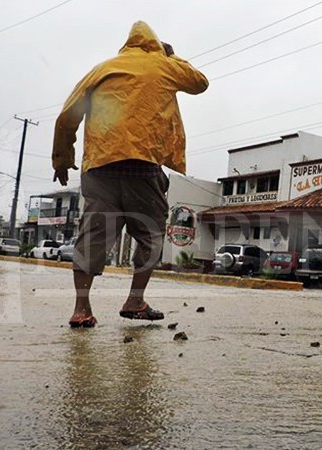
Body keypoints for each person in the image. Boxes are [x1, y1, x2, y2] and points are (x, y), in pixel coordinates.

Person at [51, 21, 208, 328]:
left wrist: (61, 159)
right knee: (151, 236)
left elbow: (67, 116)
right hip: (142, 167)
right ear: (155, 44)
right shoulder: (163, 65)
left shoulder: (102, 69)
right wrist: (171, 57)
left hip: (100, 167)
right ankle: (135, 300)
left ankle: (81, 309)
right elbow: (200, 82)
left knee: (92, 238)